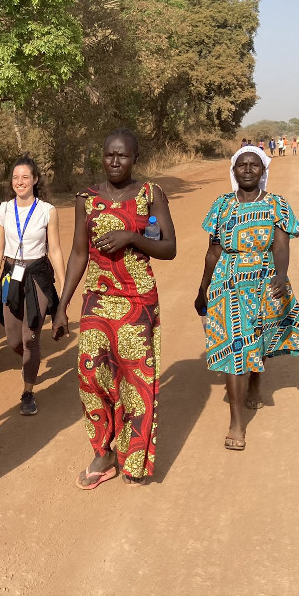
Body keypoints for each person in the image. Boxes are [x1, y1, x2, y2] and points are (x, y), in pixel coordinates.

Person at [53, 129, 176, 488]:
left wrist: (133, 237)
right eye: (109, 155)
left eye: (122, 155)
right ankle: (104, 450)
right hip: (98, 296)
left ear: (135, 157)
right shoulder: (86, 199)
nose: (115, 161)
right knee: (90, 374)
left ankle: (133, 458)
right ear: (102, 157)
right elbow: (78, 253)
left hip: (138, 298)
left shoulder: (150, 195)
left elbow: (169, 248)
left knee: (136, 381)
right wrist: (63, 306)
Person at [194, 146, 299, 451]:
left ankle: (257, 382)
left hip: (263, 278)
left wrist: (281, 274)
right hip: (228, 281)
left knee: (257, 339)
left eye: (254, 165)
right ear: (234, 171)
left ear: (263, 172)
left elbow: (282, 246)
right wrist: (203, 288)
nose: (248, 170)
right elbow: (213, 252)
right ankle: (236, 423)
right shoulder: (221, 205)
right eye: (242, 165)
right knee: (236, 349)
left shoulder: (277, 205)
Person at [0, 155, 65, 416]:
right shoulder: (3, 211)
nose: (20, 182)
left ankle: (28, 392)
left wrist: (64, 287)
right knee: (13, 339)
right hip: (11, 276)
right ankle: (29, 362)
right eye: (16, 177)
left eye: (25, 177)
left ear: (35, 180)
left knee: (31, 338)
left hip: (38, 275)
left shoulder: (47, 210)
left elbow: (55, 249)